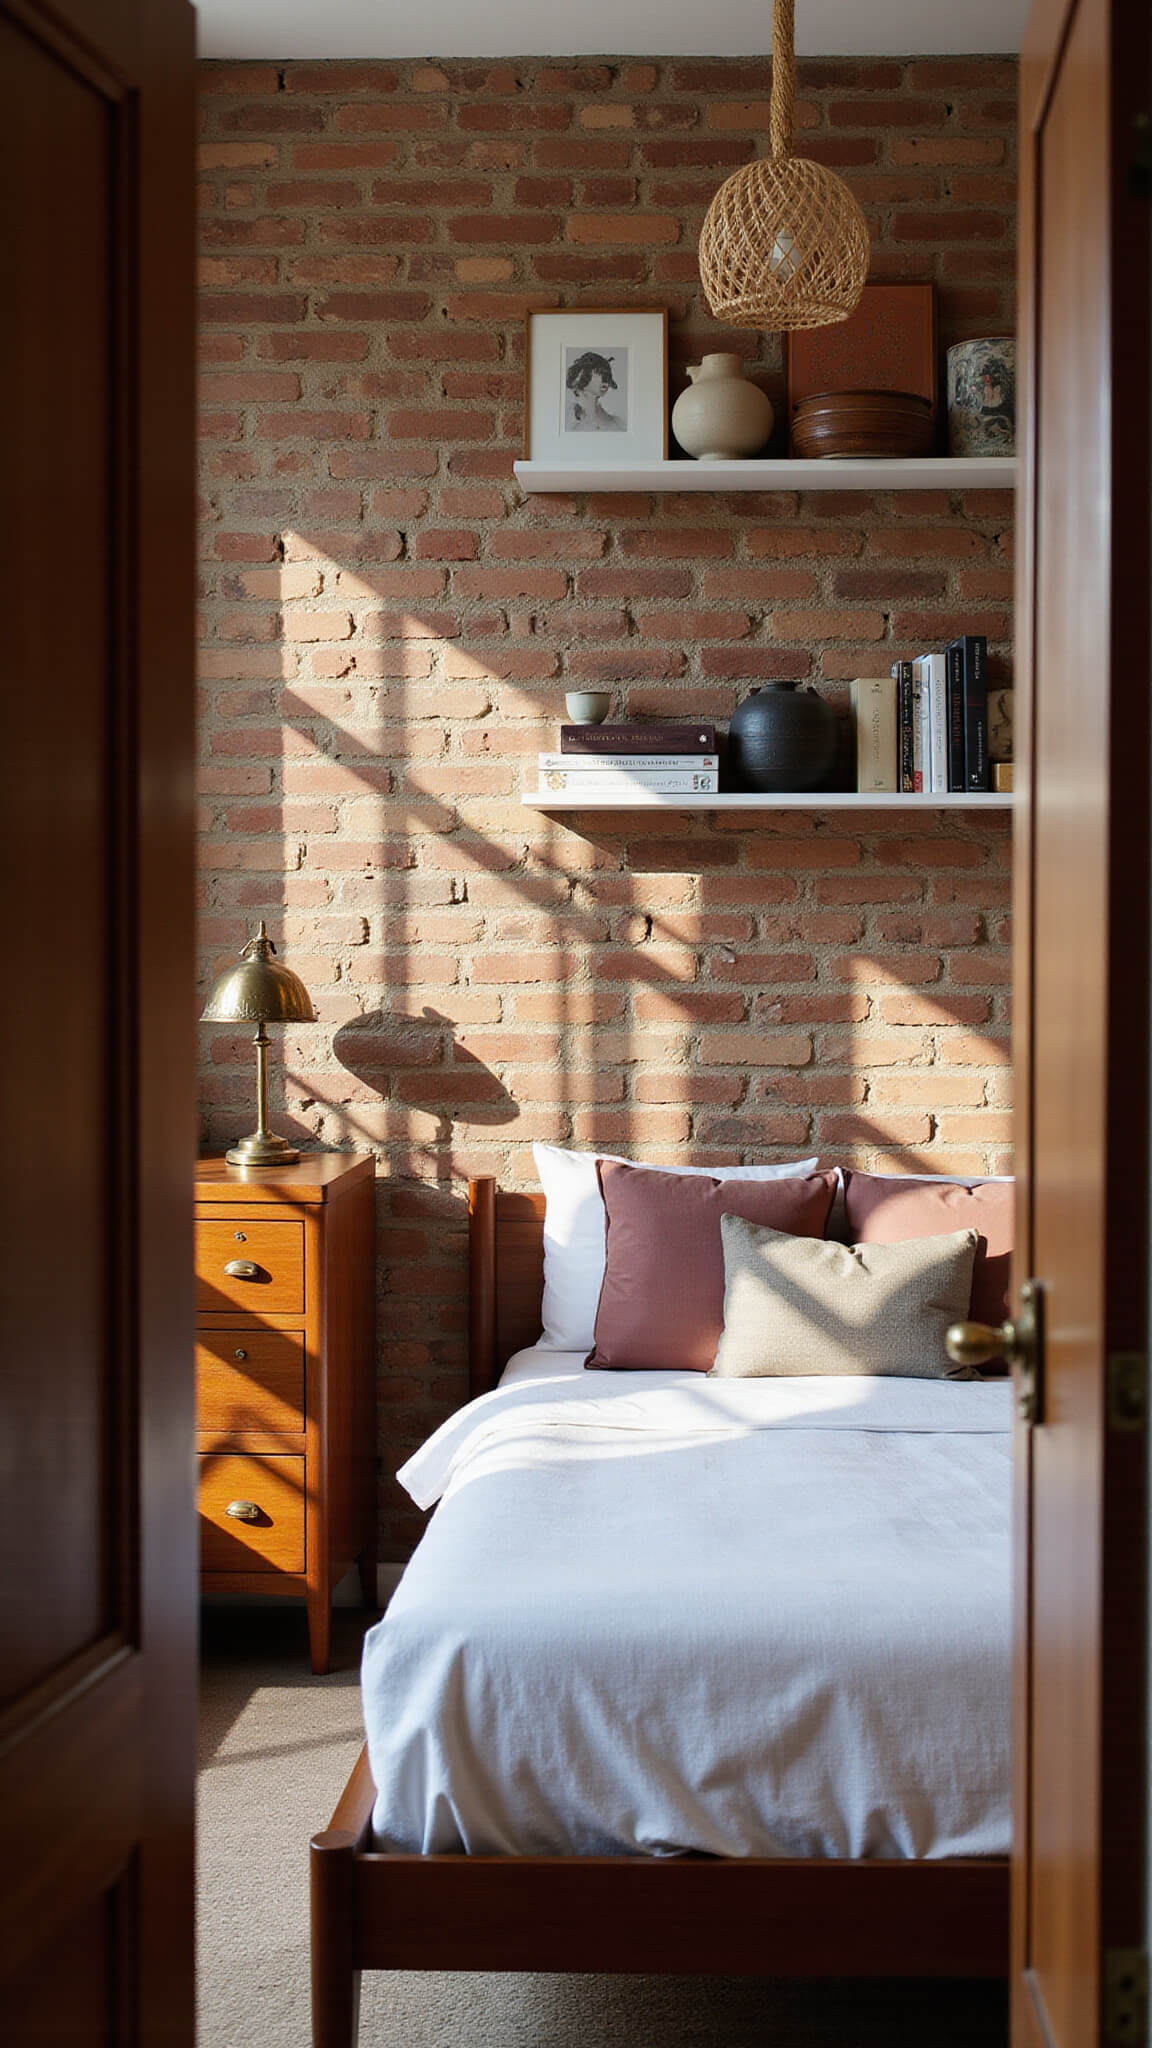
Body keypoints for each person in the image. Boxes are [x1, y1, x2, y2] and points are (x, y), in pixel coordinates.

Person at [565, 350, 625, 432]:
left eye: (607, 375)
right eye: (599, 373)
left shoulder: (616, 423)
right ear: (582, 375)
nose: (605, 379)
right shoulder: (570, 420)